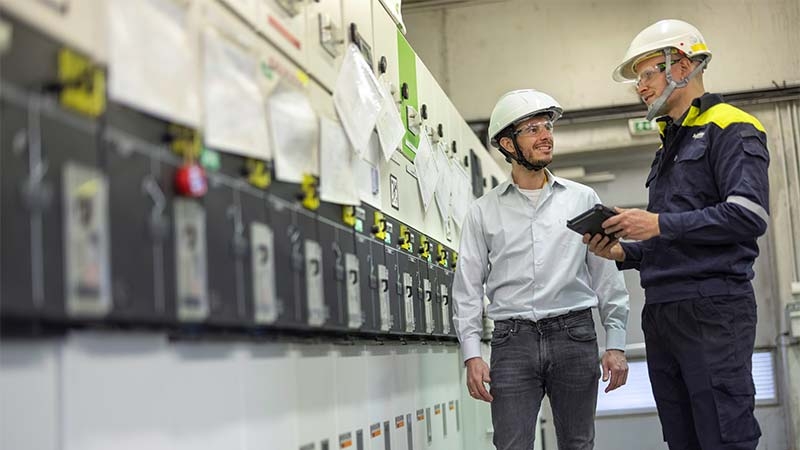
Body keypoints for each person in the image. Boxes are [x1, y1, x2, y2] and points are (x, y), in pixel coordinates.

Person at [585, 19, 769, 450]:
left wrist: (658, 223)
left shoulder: (732, 127)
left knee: (724, 435)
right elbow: (675, 239)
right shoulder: (670, 140)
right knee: (682, 439)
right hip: (663, 311)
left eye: (647, 73)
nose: (641, 87)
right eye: (638, 80)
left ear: (683, 66)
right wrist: (624, 253)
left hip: (712, 309)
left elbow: (748, 215)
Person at [452, 88, 630, 450]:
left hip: (574, 336)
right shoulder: (483, 212)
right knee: (512, 444)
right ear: (508, 144)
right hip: (511, 342)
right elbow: (467, 288)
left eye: (547, 126)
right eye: (532, 129)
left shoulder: (582, 199)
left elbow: (605, 275)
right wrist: (472, 353)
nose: (546, 135)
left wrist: (616, 343)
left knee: (578, 444)